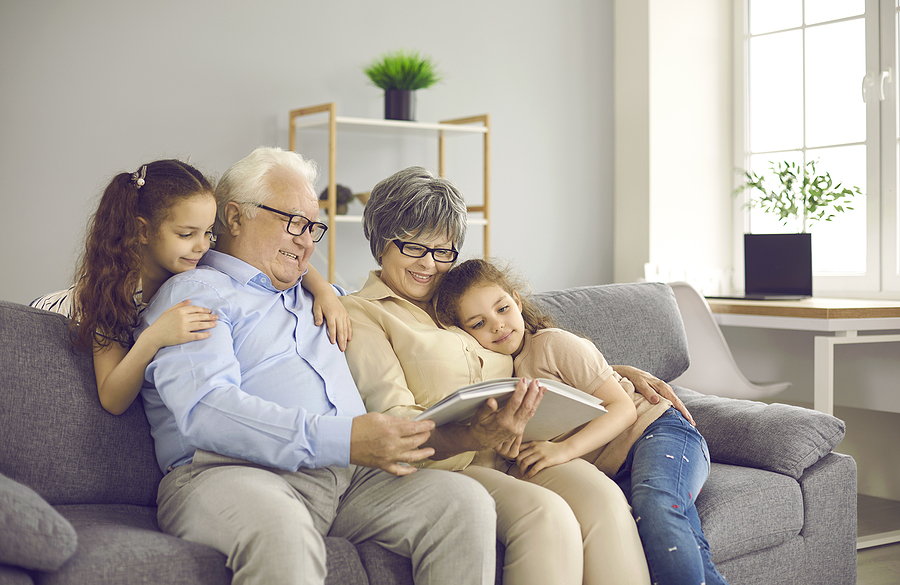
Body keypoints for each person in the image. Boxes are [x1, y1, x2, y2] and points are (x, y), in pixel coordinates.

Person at [135, 147, 498, 585]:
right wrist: (344, 440)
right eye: (295, 224)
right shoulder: (197, 294)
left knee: (464, 503)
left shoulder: (319, 295)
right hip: (227, 474)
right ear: (234, 218)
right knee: (281, 532)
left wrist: (469, 435)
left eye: (314, 229)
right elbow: (206, 412)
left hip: (349, 480)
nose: (308, 241)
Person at [340, 166, 660, 585]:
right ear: (381, 242)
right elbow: (397, 416)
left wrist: (610, 370)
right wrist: (474, 432)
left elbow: (527, 350)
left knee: (604, 500)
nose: (430, 265)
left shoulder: (462, 302)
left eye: (443, 251)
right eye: (414, 247)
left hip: (518, 447)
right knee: (547, 517)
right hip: (452, 461)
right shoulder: (362, 313)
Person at [434, 258, 730, 585]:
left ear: (517, 301)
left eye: (502, 309)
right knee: (666, 531)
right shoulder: (502, 376)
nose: (497, 326)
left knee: (656, 506)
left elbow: (624, 410)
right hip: (616, 465)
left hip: (657, 431)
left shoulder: (552, 343)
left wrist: (563, 450)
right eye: (478, 323)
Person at [30, 159, 350, 416]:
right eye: (187, 234)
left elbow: (288, 263)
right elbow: (112, 399)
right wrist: (154, 337)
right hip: (55, 316)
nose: (201, 246)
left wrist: (322, 290)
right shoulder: (113, 292)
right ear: (143, 232)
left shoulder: (192, 259)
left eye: (209, 232)